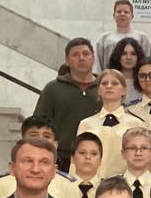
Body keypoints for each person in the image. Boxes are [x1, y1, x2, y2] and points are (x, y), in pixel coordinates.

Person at [33, 38, 101, 169]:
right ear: (67, 61)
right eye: (75, 55)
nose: (81, 58)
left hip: (97, 159)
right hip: (60, 160)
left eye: (85, 54)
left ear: (93, 58)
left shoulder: (105, 88)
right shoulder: (53, 88)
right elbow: (39, 125)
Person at [0, 117, 83, 198]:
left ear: (55, 145)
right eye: (33, 135)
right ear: (22, 141)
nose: (40, 140)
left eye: (47, 136)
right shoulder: (3, 184)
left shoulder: (68, 186)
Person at [75, 70, 147, 178]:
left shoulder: (136, 124)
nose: (109, 86)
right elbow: (76, 160)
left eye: (115, 83)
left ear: (124, 90)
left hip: (122, 183)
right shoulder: (86, 124)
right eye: (104, 83)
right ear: (99, 90)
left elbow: (143, 160)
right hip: (91, 182)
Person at [94, 0, 151, 73]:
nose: (122, 14)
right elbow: (97, 64)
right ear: (114, 16)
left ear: (132, 16)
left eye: (126, 12)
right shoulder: (104, 38)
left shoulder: (143, 38)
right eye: (119, 11)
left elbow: (149, 61)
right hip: (110, 77)